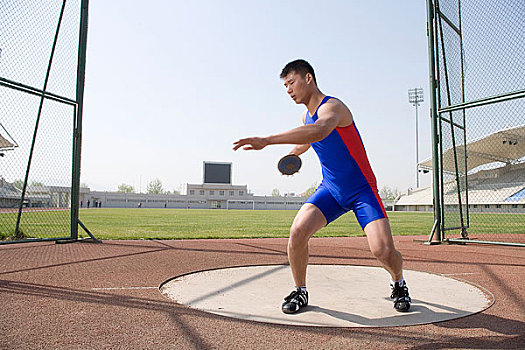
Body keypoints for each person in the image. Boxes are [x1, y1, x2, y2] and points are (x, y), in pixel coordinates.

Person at [233, 59, 411, 314]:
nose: (289, 90)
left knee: (383, 251)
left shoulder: (334, 108)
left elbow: (318, 131)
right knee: (297, 232)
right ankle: (300, 290)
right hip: (331, 189)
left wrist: (267, 140)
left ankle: (399, 282)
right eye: (285, 87)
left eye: (291, 83)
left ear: (308, 78)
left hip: (362, 190)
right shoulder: (306, 115)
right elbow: (308, 138)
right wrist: (294, 155)